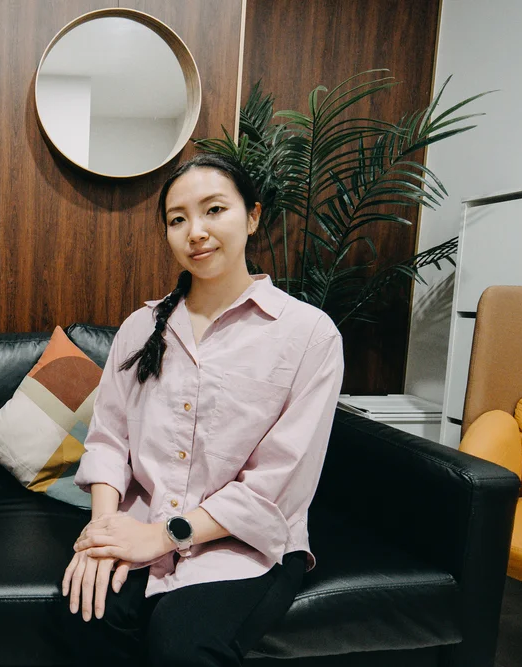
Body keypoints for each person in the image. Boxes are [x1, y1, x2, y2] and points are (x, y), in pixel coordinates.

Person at [59, 153, 345, 666]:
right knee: (84, 613)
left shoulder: (309, 335)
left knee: (183, 645)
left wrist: (163, 536)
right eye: (178, 219)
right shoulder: (140, 329)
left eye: (214, 210)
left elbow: (277, 481)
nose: (196, 232)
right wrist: (104, 534)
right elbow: (108, 440)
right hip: (139, 521)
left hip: (244, 543)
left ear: (252, 216)